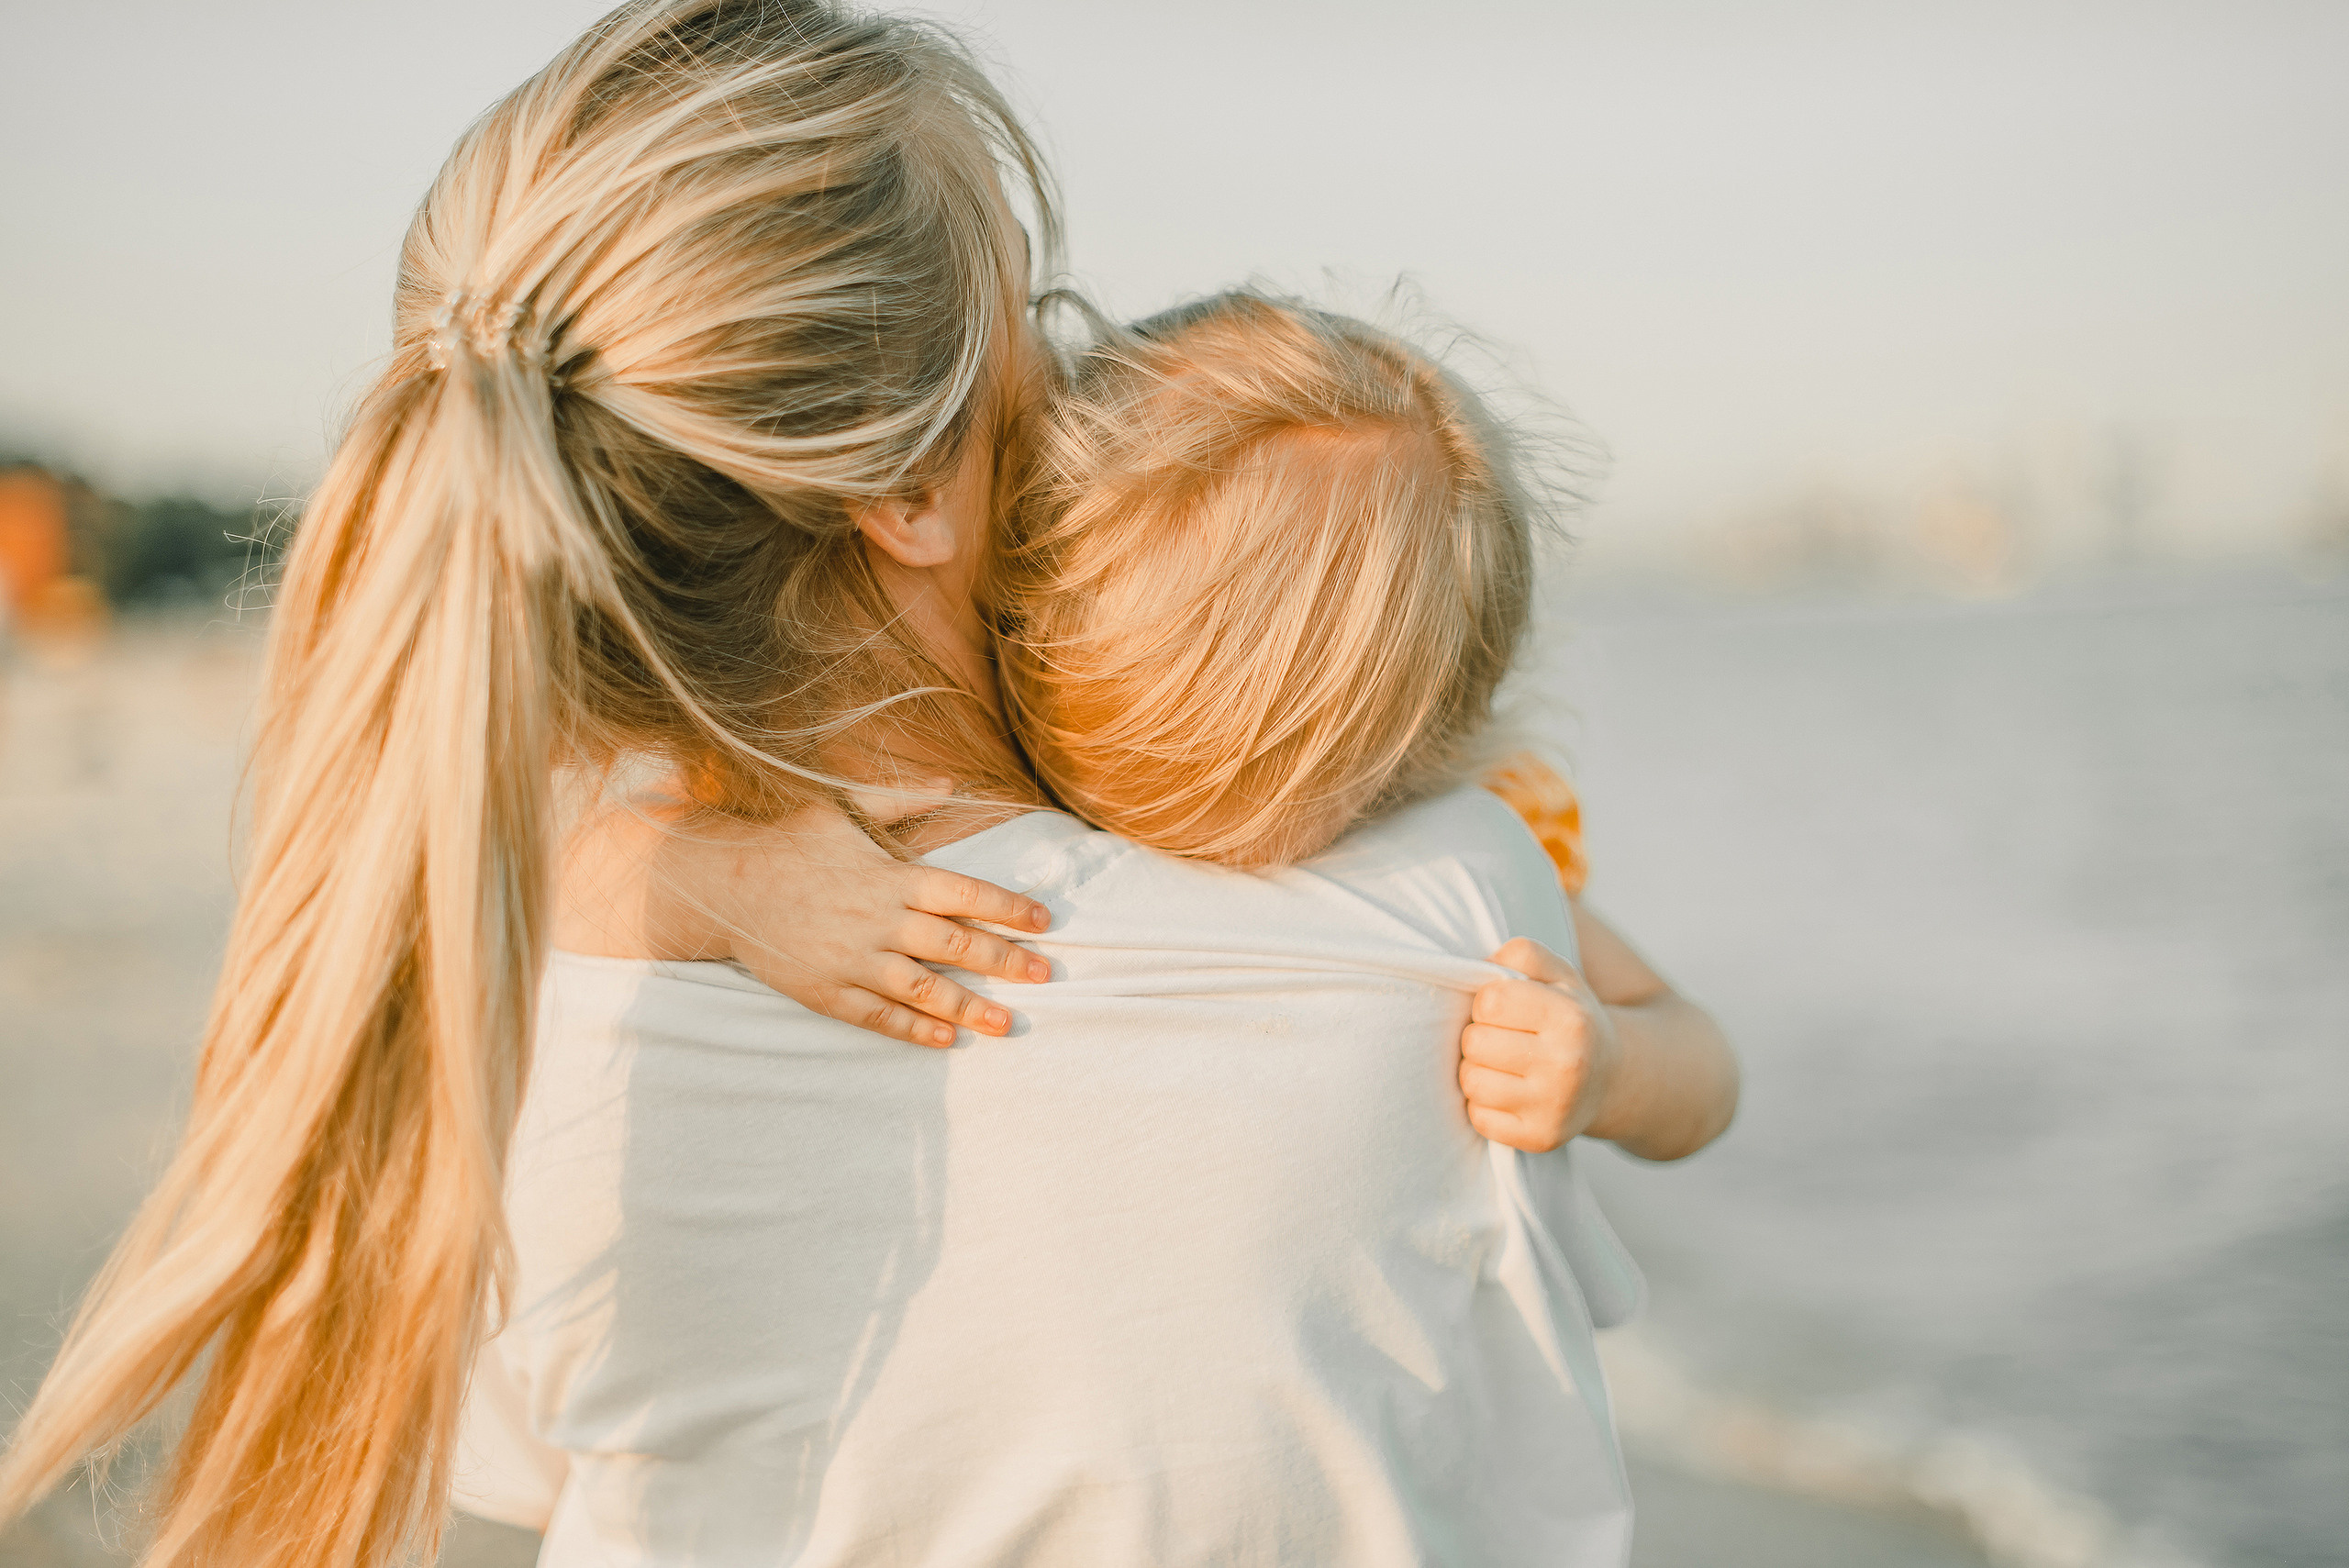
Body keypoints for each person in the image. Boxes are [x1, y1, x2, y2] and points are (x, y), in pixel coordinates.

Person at [0, 6, 1069, 1565]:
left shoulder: (512, 1038)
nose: (1072, 372)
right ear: (908, 487)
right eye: (1041, 316)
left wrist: (671, 874)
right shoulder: (1308, 967)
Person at [450, 292, 1736, 1564]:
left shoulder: (1476, 827)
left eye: (1297, 780)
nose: (1219, 844)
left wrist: (1612, 1070)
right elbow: (543, 868)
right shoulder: (1456, 871)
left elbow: (1700, 1066)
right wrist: (736, 883)